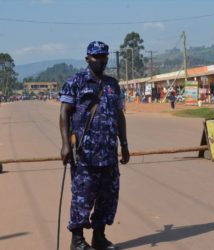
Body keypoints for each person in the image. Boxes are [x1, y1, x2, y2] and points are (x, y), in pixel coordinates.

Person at [59, 41, 130, 250]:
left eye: (103, 57)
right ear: (87, 59)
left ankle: (99, 237)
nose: (101, 60)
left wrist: (124, 144)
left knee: (108, 197)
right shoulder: (76, 82)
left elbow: (119, 114)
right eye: (96, 57)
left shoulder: (112, 84)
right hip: (84, 154)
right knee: (82, 196)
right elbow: (64, 112)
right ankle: (78, 241)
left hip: (108, 153)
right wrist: (65, 144)